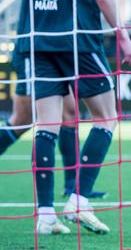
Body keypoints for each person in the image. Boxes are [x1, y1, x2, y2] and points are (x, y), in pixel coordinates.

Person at [15, 0, 131, 235]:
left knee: (46, 125)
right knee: (106, 116)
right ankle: (80, 201)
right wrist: (124, 35)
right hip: (76, 38)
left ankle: (45, 215)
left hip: (36, 38)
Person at [0, 54, 107, 200]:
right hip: (33, 52)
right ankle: (53, 202)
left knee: (70, 115)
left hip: (57, 52)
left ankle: (71, 185)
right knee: (22, 120)